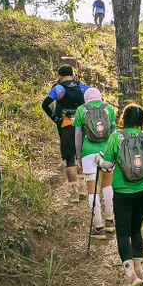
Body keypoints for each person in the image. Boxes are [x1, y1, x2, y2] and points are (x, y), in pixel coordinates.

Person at [99, 104, 143, 286]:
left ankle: (131, 276)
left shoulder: (116, 137)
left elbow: (107, 165)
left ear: (124, 119)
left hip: (123, 192)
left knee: (123, 233)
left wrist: (99, 161)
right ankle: (140, 270)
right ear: (141, 121)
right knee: (135, 230)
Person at [73, 87, 117, 237]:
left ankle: (98, 228)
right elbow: (113, 133)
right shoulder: (109, 109)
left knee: (92, 189)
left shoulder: (81, 109)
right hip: (106, 153)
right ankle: (110, 221)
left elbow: (78, 135)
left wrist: (78, 157)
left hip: (87, 152)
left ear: (86, 98)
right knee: (107, 185)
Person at [41, 66, 88, 200]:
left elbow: (45, 104)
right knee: (81, 157)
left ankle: (74, 193)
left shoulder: (59, 88)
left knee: (70, 159)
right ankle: (83, 187)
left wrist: (55, 118)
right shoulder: (82, 86)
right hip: (81, 125)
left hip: (66, 125)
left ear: (60, 76)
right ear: (72, 74)